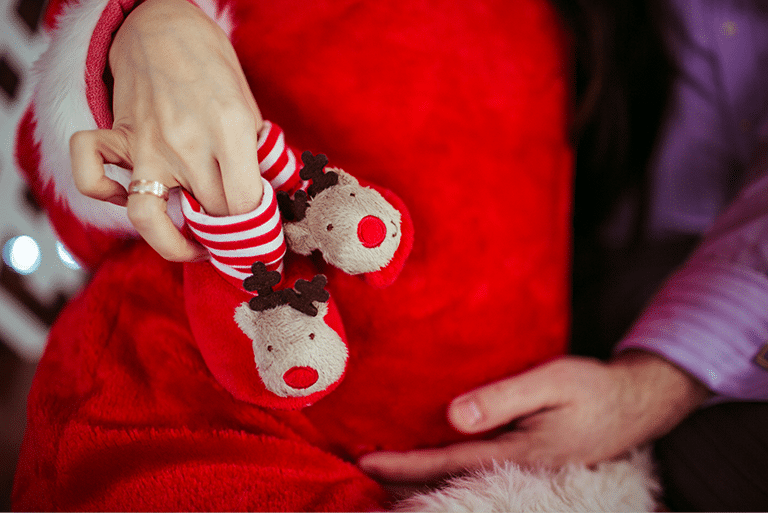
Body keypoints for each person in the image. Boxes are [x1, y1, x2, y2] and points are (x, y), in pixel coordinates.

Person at [11, 0, 767, 511]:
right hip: (211, 412)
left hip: (518, 445)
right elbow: (74, 190)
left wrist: (656, 382)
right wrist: (142, 32)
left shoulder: (575, 33)